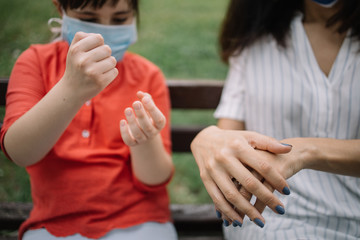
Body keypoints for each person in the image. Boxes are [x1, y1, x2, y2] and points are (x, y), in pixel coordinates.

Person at [0, 0, 178, 239]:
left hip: (139, 220)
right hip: (54, 224)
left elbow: (155, 179)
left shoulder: (148, 75)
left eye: (119, 19)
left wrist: (145, 140)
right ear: (61, 11)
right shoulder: (35, 63)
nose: (104, 31)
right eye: (89, 20)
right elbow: (20, 152)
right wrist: (71, 89)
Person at [190, 0, 360, 239]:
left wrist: (305, 152)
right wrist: (210, 140)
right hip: (273, 220)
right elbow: (228, 134)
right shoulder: (254, 39)